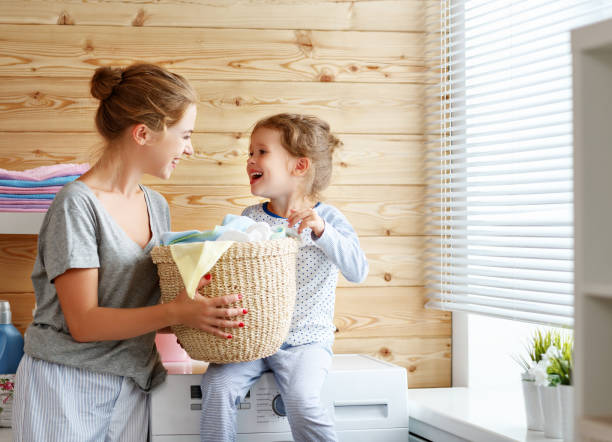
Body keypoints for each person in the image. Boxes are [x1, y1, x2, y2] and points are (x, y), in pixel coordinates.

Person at [12, 63, 247, 442]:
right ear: (143, 133)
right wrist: (176, 311)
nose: (190, 148)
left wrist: (202, 312)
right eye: (184, 135)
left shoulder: (157, 206)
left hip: (133, 383)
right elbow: (84, 323)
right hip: (65, 385)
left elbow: (140, 311)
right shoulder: (77, 206)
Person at [199, 113, 369, 441]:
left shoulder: (328, 218)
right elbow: (233, 273)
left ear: (299, 166)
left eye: (261, 152)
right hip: (256, 341)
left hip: (306, 341)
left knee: (303, 401)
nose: (250, 160)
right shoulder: (251, 217)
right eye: (250, 153)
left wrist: (323, 232)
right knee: (217, 386)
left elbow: (357, 270)